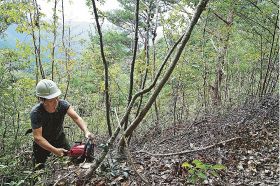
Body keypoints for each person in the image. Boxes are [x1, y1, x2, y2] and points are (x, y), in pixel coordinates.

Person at [30, 79, 94, 169]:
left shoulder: (63, 104)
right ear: (42, 100)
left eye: (57, 97)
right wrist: (55, 150)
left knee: (71, 160)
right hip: (42, 144)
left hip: (59, 138)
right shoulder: (36, 112)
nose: (56, 101)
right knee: (39, 169)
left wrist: (86, 131)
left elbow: (76, 118)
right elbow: (38, 137)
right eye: (52, 100)